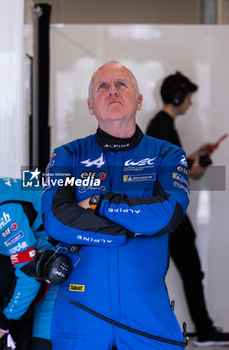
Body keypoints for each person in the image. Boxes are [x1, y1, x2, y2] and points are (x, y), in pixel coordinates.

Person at [42, 61, 190, 350]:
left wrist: (100, 204)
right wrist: (130, 231)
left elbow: (167, 214)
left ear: (138, 100)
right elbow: (56, 220)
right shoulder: (67, 155)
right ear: (90, 105)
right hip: (80, 314)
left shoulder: (168, 155)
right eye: (103, 86)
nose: (112, 91)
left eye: (121, 84)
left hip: (147, 316)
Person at [146, 71, 229, 347]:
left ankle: (203, 329)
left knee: (189, 270)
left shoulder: (163, 125)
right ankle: (199, 330)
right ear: (179, 97)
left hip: (168, 213)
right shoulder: (163, 126)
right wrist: (196, 167)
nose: (191, 104)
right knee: (177, 271)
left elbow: (172, 161)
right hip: (168, 213)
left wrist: (194, 155)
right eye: (189, 98)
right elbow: (176, 172)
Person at [0, 177, 56, 350]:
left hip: (56, 255)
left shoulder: (5, 213)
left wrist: (2, 323)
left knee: (41, 343)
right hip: (22, 252)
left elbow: (29, 272)